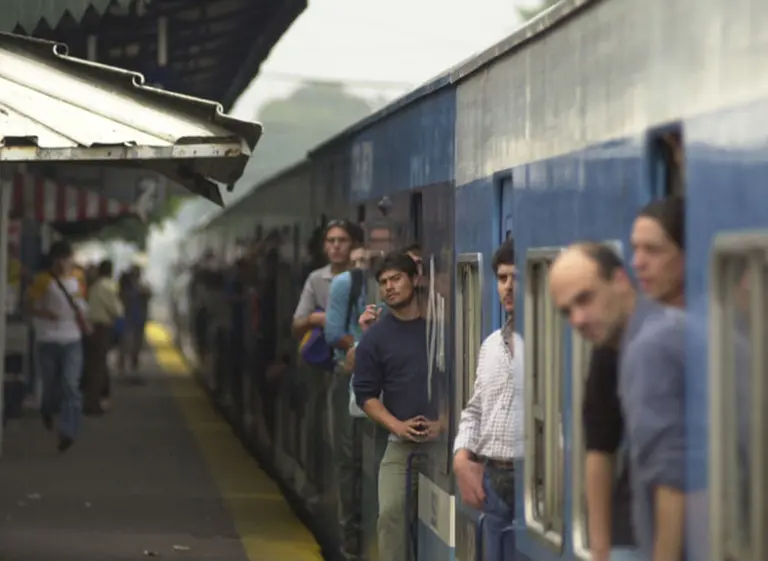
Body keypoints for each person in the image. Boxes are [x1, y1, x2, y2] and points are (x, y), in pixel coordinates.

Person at [549, 243, 686, 561]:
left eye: (585, 298)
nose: (578, 319)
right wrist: (601, 550)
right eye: (567, 311)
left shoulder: (650, 348)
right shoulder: (611, 347)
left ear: (621, 280)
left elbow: (673, 479)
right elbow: (599, 442)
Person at [583, 196, 686, 561]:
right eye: (635, 249)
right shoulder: (619, 335)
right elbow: (600, 443)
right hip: (635, 526)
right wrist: (600, 548)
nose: (638, 261)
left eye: (652, 250)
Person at [353, 251, 436, 561]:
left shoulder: (439, 328)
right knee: (389, 515)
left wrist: (443, 423)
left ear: (415, 279)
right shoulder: (375, 338)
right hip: (402, 446)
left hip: (445, 442)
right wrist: (398, 426)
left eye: (396, 279)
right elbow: (365, 395)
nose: (389, 287)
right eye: (384, 282)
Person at [453, 240, 522, 560]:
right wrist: (461, 455)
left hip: (534, 484)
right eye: (502, 278)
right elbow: (476, 408)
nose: (508, 287)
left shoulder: (553, 343)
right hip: (493, 481)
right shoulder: (491, 345)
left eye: (516, 278)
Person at [324, 244, 369, 560]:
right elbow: (332, 333)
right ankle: (350, 537)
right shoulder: (346, 285)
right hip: (349, 378)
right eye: (358, 260)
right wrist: (366, 347)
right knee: (349, 459)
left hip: (379, 379)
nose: (362, 264)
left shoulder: (395, 281)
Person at [25, 241, 90, 452]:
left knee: (70, 385)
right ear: (53, 260)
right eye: (60, 259)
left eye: (67, 258)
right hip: (47, 340)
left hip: (72, 339)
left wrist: (84, 318)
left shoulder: (78, 278)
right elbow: (27, 306)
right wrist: (44, 314)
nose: (64, 263)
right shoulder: (42, 280)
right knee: (50, 385)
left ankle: (68, 431)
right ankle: (47, 409)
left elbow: (80, 303)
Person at [84, 259, 123, 415]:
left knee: (93, 365)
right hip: (101, 328)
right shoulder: (106, 286)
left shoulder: (95, 285)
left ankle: (92, 400)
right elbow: (117, 310)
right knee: (98, 367)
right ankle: (93, 404)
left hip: (92, 328)